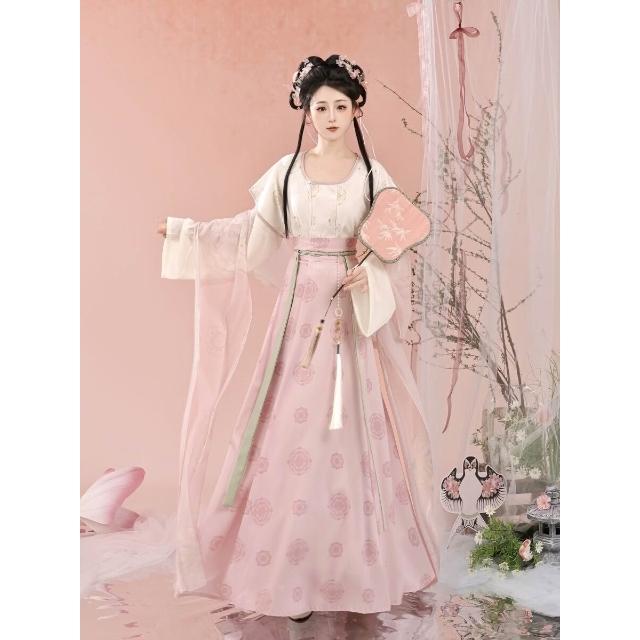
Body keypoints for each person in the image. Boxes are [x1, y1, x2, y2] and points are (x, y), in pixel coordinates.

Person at [157, 54, 439, 622]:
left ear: (357, 110)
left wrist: (371, 272)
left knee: (351, 429)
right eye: (320, 107)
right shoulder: (287, 173)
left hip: (349, 313)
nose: (330, 116)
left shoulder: (372, 176)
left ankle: (353, 570)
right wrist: (189, 234)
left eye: (340, 106)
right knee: (292, 425)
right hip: (301, 309)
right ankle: (287, 570)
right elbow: (251, 235)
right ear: (306, 112)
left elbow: (397, 244)